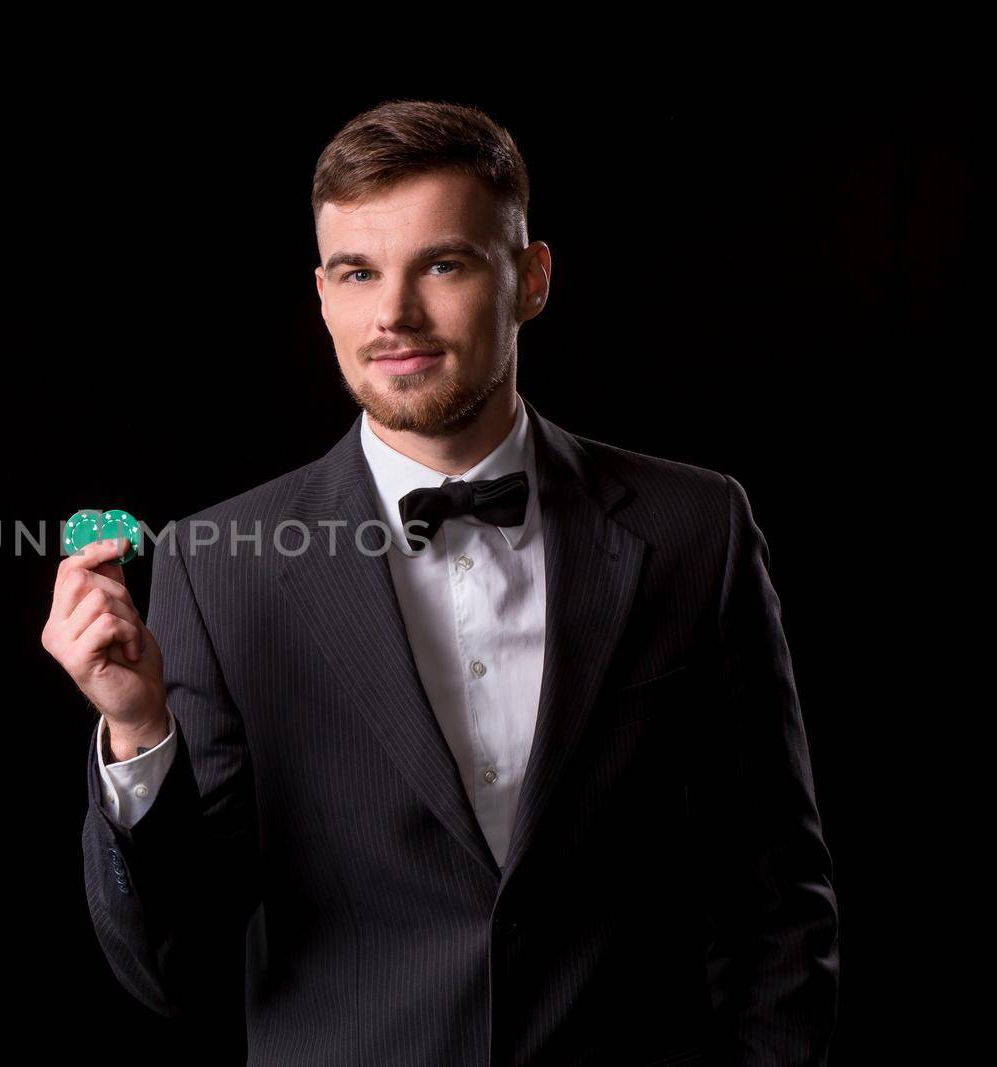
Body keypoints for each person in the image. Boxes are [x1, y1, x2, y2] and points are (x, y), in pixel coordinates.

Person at [42, 100, 839, 1065]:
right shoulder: (219, 564)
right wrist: (136, 732)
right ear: (322, 297)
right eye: (359, 273)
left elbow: (774, 898)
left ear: (532, 279)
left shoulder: (695, 529)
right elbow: (171, 968)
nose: (394, 316)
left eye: (444, 264)